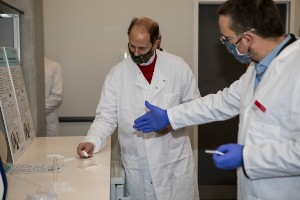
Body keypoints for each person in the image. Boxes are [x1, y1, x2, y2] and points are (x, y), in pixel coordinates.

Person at [133, 0, 300, 199]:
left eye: (227, 39)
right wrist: (171, 115)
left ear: (247, 38)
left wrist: (247, 157)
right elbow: (222, 102)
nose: (226, 44)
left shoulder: (295, 70)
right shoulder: (257, 68)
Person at [77, 17, 200, 200]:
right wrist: (92, 140)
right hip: (138, 166)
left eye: (142, 48)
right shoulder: (116, 74)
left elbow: (195, 108)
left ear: (156, 42)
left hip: (173, 164)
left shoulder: (178, 67)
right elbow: (106, 117)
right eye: (131, 46)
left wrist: (170, 123)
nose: (135, 52)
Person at [45, 57, 63, 136]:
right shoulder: (19, 64)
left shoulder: (53, 66)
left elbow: (57, 97)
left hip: (48, 122)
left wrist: (33, 113)